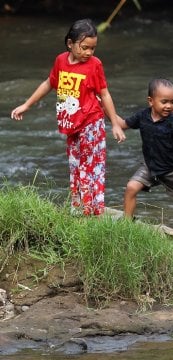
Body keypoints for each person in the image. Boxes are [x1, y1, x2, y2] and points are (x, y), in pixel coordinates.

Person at [10, 18, 126, 216]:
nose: (89, 53)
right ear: (70, 44)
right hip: (72, 124)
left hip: (91, 122)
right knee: (75, 166)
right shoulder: (61, 61)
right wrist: (26, 105)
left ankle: (92, 212)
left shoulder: (94, 65)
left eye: (93, 48)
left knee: (91, 168)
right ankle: (78, 209)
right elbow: (49, 83)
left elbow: (104, 94)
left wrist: (114, 123)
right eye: (84, 47)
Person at [114, 78, 173, 242]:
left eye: (172, 102)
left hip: (169, 169)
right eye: (164, 101)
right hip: (149, 166)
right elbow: (122, 124)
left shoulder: (172, 121)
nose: (169, 106)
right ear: (150, 101)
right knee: (131, 187)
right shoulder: (143, 116)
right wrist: (104, 108)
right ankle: (126, 225)